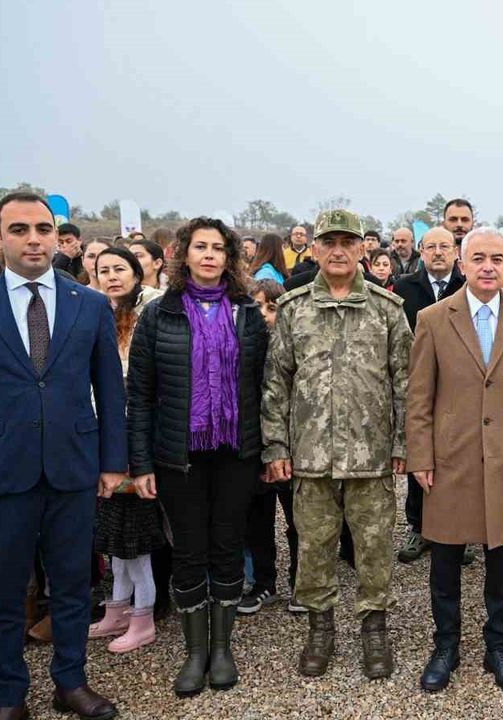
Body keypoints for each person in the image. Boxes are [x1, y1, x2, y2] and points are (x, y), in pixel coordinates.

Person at [0, 192, 127, 719]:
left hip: (72, 466)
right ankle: (9, 695)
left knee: (72, 585)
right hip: (0, 471)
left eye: (43, 228)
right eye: (19, 229)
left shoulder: (89, 303)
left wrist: (113, 461)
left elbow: (110, 390)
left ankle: (70, 682)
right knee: (3, 592)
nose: (34, 238)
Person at [262, 209, 411, 680]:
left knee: (373, 547)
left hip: (370, 455)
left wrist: (405, 441)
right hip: (311, 457)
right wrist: (276, 447)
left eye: (349, 241)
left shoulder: (388, 310)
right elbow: (276, 384)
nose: (340, 250)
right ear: (316, 249)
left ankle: (374, 629)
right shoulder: (293, 308)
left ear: (363, 249)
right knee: (314, 546)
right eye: (330, 242)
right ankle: (320, 630)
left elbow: (407, 383)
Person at [125, 216, 268, 698]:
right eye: (200, 247)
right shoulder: (159, 315)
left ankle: (222, 648)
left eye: (218, 248)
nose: (209, 255)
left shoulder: (246, 312)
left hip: (235, 451)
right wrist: (141, 463)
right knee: (188, 549)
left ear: (230, 258)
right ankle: (194, 652)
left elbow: (264, 387)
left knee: (227, 544)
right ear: (183, 254)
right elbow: (140, 394)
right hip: (178, 454)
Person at [407, 227, 503, 693]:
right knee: (445, 562)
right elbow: (419, 397)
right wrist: (420, 456)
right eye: (478, 258)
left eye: (496, 258)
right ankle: (445, 645)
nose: (488, 266)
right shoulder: (432, 318)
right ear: (463, 264)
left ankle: (498, 647)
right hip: (450, 459)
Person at [87, 247, 166, 655]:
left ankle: (144, 617)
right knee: (112, 535)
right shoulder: (96, 310)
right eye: (104, 270)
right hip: (102, 432)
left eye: (120, 268)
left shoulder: (153, 312)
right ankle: (116, 608)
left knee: (134, 538)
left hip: (137, 433)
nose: (112, 276)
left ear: (138, 273)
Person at [391, 228, 465, 563]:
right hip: (417, 383)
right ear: (421, 250)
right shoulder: (405, 288)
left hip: (459, 386)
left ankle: (458, 531)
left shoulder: (467, 287)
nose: (438, 252)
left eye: (444, 246)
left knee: (458, 459)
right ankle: (418, 526)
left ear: (455, 252)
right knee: (418, 456)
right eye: (431, 246)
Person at [239, 278, 301, 616]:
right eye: (257, 307)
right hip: (252, 446)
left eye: (272, 308)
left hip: (291, 447)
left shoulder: (293, 348)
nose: (263, 315)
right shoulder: (241, 348)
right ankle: (263, 582)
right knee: (257, 522)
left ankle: (301, 582)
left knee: (298, 520)